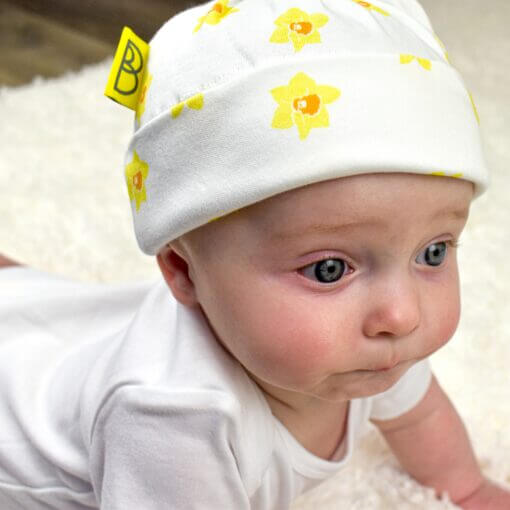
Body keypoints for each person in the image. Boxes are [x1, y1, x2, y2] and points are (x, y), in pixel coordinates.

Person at [1, 0, 509, 508]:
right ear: (183, 271)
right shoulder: (174, 418)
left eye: (434, 252)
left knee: (48, 308)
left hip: (75, 334)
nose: (402, 313)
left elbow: (419, 416)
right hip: (17, 406)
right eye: (329, 269)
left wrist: (468, 487)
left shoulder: (374, 343)